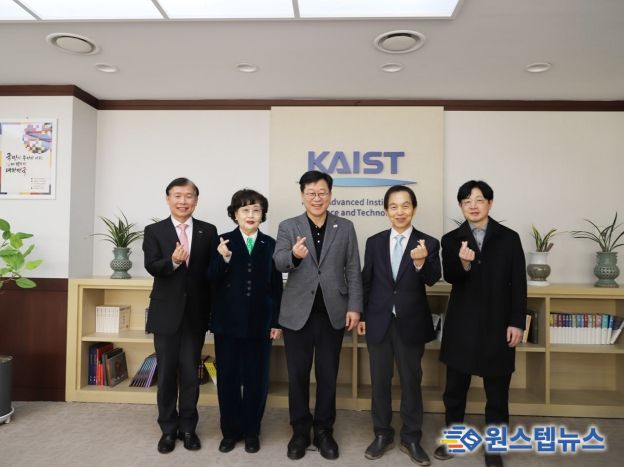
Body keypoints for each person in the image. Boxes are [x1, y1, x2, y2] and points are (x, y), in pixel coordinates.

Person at [436, 180, 526, 467]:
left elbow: (519, 284)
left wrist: (517, 322)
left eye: (478, 200)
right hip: (462, 325)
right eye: (467, 201)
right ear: (461, 206)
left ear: (490, 203)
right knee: (454, 390)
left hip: (498, 325)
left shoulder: (509, 238)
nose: (473, 206)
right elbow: (451, 276)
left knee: (497, 394)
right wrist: (463, 264)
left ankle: (494, 448)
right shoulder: (451, 239)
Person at [273, 170, 362, 460]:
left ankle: (324, 430)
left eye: (322, 192)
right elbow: (278, 262)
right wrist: (294, 256)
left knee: (327, 375)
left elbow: (353, 269)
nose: (317, 198)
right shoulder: (289, 226)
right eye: (310, 193)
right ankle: (300, 431)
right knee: (298, 375)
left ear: (330, 195)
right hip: (298, 314)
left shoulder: (345, 226)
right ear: (302, 196)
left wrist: (354, 307)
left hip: (332, 313)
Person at [359, 185, 441, 466]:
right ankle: (382, 433)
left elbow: (433, 278)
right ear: (386, 211)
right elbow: (366, 282)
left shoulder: (428, 242)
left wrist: (420, 263)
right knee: (379, 381)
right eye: (394, 206)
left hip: (411, 323)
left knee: (411, 381)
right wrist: (363, 317)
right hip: (378, 321)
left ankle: (411, 437)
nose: (400, 211)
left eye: (405, 206)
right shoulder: (374, 242)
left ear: (414, 209)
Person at [143, 177, 218, 454]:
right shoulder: (154, 231)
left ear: (196, 200)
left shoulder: (208, 231)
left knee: (190, 373)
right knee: (165, 374)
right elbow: (151, 265)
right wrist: (173, 262)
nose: (183, 201)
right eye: (177, 196)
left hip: (196, 313)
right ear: (168, 199)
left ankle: (188, 428)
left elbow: (211, 273)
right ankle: (167, 429)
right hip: (166, 313)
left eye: (188, 196)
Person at [208, 189, 283, 454]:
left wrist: (276, 322)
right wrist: (223, 258)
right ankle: (230, 432)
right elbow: (210, 279)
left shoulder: (270, 244)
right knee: (227, 379)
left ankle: (252, 431)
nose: (251, 215)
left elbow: (276, 287)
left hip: (260, 324)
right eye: (245, 210)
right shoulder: (222, 241)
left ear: (262, 215)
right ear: (235, 214)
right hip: (227, 323)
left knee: (256, 380)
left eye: (256, 210)